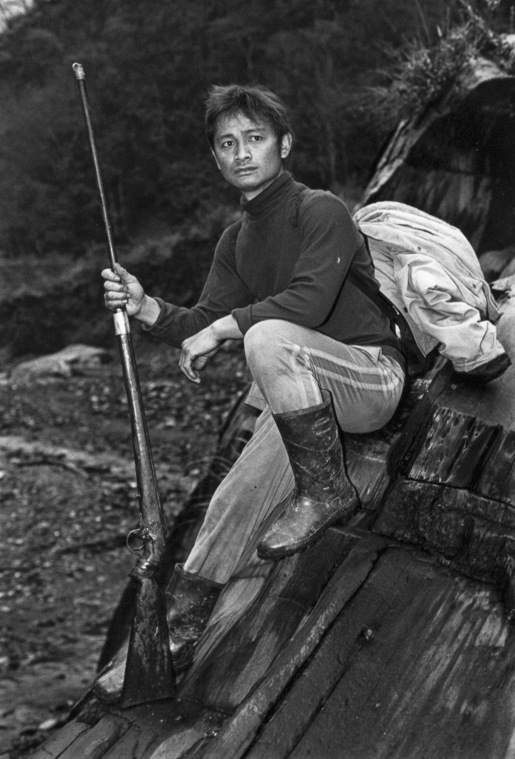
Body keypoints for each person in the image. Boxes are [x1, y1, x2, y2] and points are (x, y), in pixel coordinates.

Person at [98, 84, 406, 695]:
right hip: (304, 399)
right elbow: (203, 318)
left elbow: (306, 303)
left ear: (283, 145)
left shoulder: (321, 210)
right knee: (227, 506)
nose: (241, 153)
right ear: (216, 158)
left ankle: (325, 490)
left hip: (369, 376)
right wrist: (146, 307)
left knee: (266, 337)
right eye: (227, 143)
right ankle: (180, 634)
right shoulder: (235, 240)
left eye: (255, 138)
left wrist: (223, 329)